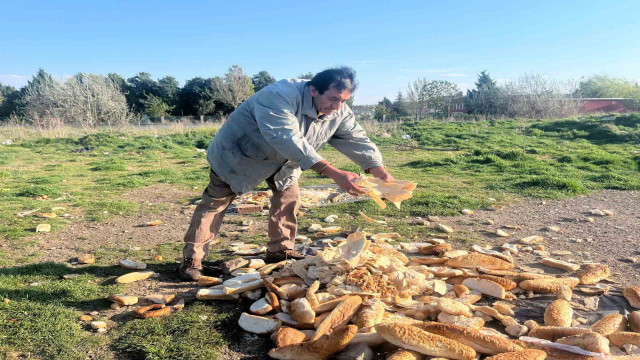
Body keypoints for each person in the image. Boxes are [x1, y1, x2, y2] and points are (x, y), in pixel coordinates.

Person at [179, 66, 393, 281]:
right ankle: (192, 260)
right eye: (333, 98)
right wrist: (332, 172)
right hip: (240, 155)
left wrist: (377, 168)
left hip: (287, 161)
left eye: (344, 100)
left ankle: (280, 250)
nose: (337, 107)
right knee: (215, 203)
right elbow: (284, 137)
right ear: (313, 90)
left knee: (289, 199)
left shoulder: (339, 112)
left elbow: (355, 139)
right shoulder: (279, 95)